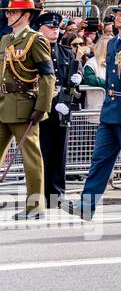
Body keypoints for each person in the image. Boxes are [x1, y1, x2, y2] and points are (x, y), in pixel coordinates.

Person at [62, 0, 121, 223]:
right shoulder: (112, 44)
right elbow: (111, 79)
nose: (118, 18)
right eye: (117, 14)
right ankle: (87, 205)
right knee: (100, 159)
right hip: (111, 109)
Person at [0, 0, 55, 218]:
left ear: (25, 15)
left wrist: (42, 107)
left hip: (25, 106)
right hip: (3, 104)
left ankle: (35, 207)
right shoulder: (5, 40)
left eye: (12, 11)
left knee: (31, 159)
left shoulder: (36, 39)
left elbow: (47, 75)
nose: (8, 15)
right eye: (8, 11)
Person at [36, 10, 78, 202]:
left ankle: (57, 192)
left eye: (56, 28)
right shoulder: (35, 51)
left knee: (59, 150)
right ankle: (41, 192)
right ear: (40, 29)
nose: (55, 31)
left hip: (62, 105)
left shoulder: (67, 52)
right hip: (42, 105)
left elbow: (70, 80)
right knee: (42, 149)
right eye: (50, 28)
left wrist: (77, 79)